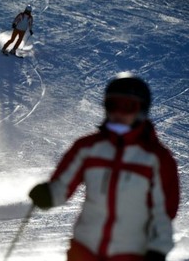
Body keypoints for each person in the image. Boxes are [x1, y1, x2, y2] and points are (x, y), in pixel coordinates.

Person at [28, 72, 180, 261]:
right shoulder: (88, 148)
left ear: (142, 109)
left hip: (130, 254)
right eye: (113, 105)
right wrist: (49, 194)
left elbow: (163, 213)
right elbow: (63, 186)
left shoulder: (157, 159)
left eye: (128, 107)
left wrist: (157, 249)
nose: (118, 113)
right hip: (84, 250)